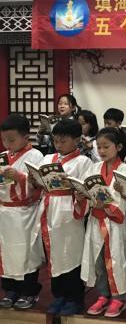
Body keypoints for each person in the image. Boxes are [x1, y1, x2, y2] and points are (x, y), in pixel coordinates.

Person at [32, 119, 93, 315]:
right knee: (54, 254)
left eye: (63, 141)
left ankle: (74, 297)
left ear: (77, 140)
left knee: (71, 254)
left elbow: (86, 188)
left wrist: (72, 187)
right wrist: (36, 179)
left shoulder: (83, 162)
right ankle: (59, 295)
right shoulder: (48, 158)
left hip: (69, 210)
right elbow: (38, 182)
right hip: (49, 208)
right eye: (56, 140)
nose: (58, 145)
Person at [81, 128, 126, 318]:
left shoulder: (124, 169)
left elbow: (122, 199)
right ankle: (103, 294)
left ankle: (119, 298)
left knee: (116, 260)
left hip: (114, 223)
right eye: (99, 147)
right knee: (98, 260)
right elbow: (87, 188)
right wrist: (82, 195)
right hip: (96, 219)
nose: (101, 151)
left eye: (106, 147)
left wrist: (106, 204)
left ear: (118, 147)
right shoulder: (94, 168)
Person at [0, 114, 44, 310]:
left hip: (25, 211)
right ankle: (10, 290)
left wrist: (19, 176)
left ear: (26, 137)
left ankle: (29, 291)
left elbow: (39, 185)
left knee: (26, 252)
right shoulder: (3, 156)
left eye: (11, 140)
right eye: (4, 140)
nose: (7, 144)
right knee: (6, 252)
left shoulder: (36, 156)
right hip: (5, 212)